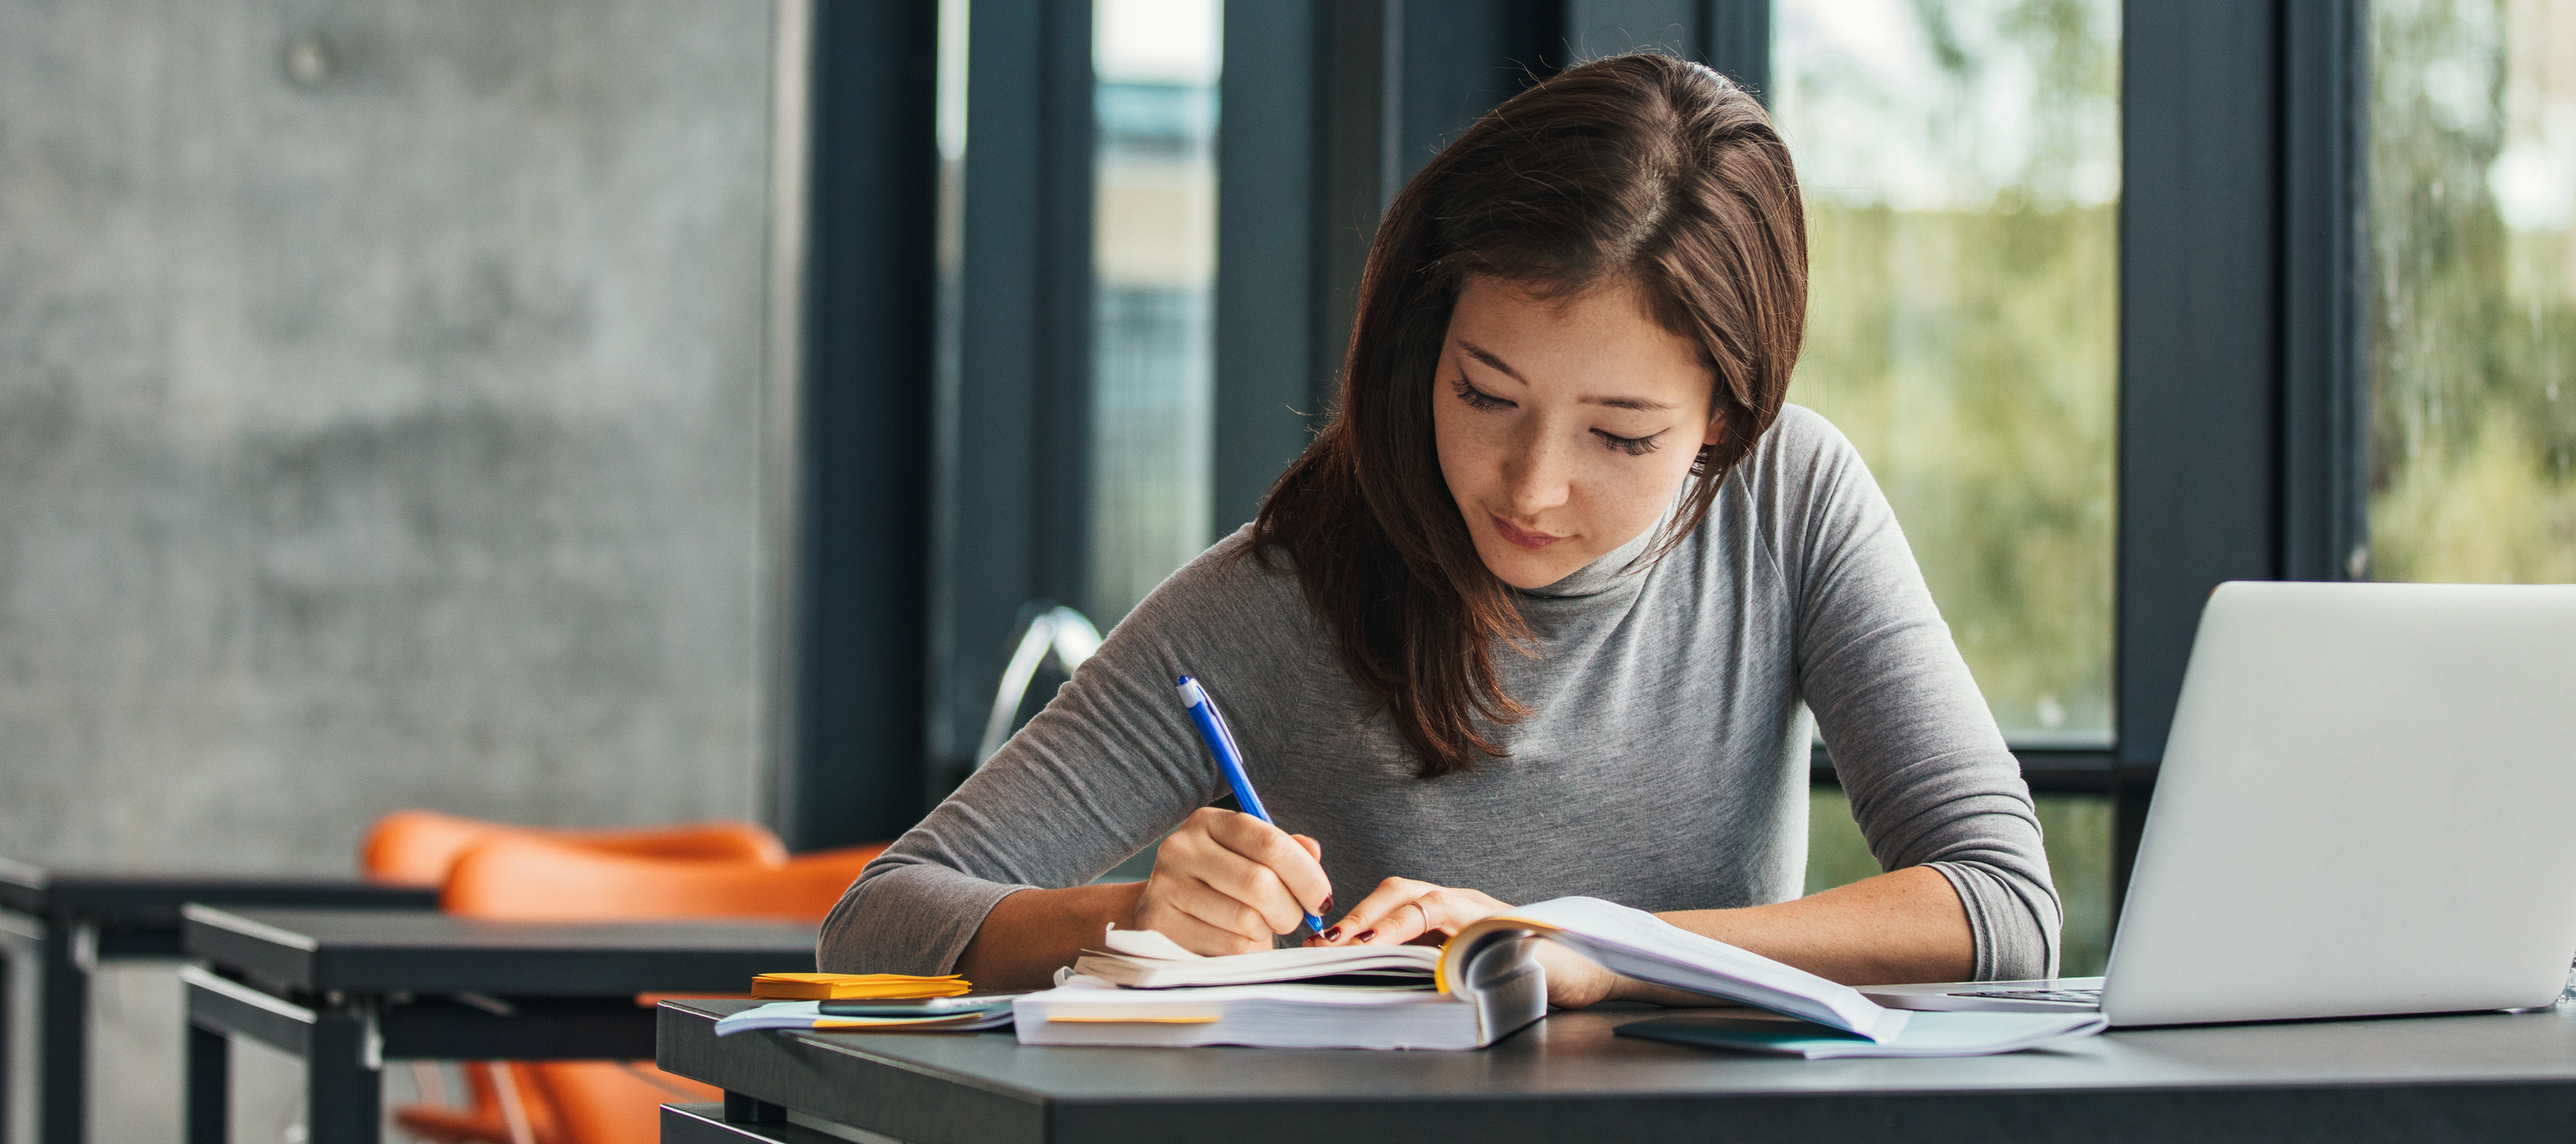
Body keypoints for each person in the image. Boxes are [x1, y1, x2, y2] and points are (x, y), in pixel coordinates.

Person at [820, 54, 2058, 1007]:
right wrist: (1128, 915)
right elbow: (876, 919)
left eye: (1619, 437)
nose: (1530, 487)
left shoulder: (1787, 501)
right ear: (1423, 345)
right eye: (1483, 395)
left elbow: (1999, 906)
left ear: (1724, 423)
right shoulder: (1285, 591)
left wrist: (1585, 944)